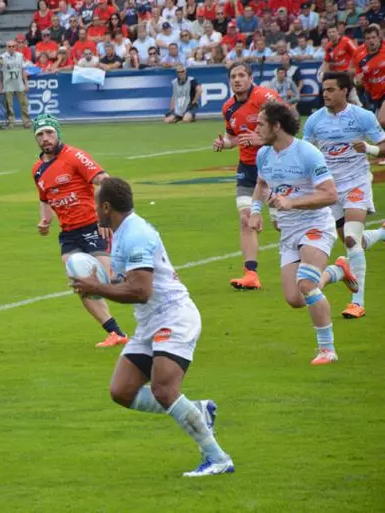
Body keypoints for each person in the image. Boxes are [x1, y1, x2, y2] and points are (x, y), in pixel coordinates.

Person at [70, 177, 234, 477]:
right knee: (121, 391)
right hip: (149, 322)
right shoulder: (121, 231)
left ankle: (218, 457)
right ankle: (197, 411)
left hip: (173, 317)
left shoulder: (135, 234)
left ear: (106, 207)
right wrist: (99, 286)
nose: (95, 209)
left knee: (163, 389)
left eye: (97, 204)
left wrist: (98, 288)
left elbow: (141, 291)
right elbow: (130, 283)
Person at [248, 103, 359, 365]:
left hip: (316, 226)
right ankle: (337, 271)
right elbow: (262, 184)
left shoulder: (307, 153)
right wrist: (255, 211)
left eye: (261, 123)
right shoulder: (264, 154)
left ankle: (327, 350)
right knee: (295, 298)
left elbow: (330, 195)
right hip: (288, 231)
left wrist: (291, 204)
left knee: (307, 285)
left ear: (277, 126)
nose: (256, 128)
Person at [31, 114, 129, 348]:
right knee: (81, 282)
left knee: (113, 281)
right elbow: (45, 198)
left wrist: (106, 218)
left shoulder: (75, 156)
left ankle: (158, 303)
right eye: (40, 134)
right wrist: (45, 220)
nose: (45, 138)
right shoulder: (37, 170)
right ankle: (115, 333)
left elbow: (105, 181)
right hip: (69, 234)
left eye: (49, 133)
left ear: (58, 134)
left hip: (93, 227)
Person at [303, 72, 385, 319]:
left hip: (357, 182)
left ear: (345, 90)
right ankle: (381, 234)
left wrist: (369, 149)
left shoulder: (362, 116)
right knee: (353, 243)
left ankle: (357, 302)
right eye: (323, 89)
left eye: (330, 89)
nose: (325, 94)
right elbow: (306, 152)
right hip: (330, 189)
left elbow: (382, 143)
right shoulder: (315, 121)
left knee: (351, 238)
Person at [213, 62, 281, 290]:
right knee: (245, 219)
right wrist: (225, 143)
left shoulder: (265, 97)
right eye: (233, 76)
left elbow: (288, 127)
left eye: (242, 75)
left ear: (251, 78)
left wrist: (261, 140)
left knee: (281, 222)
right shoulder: (228, 108)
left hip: (275, 167)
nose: (237, 79)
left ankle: (310, 256)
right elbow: (234, 137)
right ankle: (250, 273)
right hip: (247, 168)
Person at [353, 25, 385, 135]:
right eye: (368, 38)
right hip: (374, 94)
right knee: (375, 126)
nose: (371, 41)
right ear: (364, 41)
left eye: (373, 37)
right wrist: (358, 81)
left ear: (379, 38)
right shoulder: (360, 56)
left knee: (382, 120)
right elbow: (357, 81)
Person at [2, 39, 30, 129]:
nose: (11, 48)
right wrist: (0, 86)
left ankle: (26, 122)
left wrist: (26, 83)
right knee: (9, 105)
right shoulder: (2, 57)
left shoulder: (20, 56)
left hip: (19, 83)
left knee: (24, 103)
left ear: (16, 47)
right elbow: (0, 72)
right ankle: (11, 123)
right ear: (6, 47)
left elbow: (23, 70)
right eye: (9, 46)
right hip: (8, 83)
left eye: (13, 46)